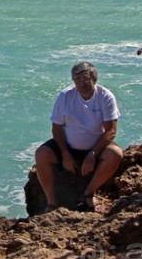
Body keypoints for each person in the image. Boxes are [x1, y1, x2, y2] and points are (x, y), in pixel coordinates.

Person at [35, 61, 124, 212]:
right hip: (69, 145)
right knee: (41, 154)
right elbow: (56, 127)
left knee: (115, 154)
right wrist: (64, 153)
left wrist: (93, 154)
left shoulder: (105, 96)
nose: (80, 84)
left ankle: (89, 193)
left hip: (96, 145)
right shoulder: (65, 96)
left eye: (84, 80)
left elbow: (111, 131)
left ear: (94, 80)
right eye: (76, 80)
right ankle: (51, 202)